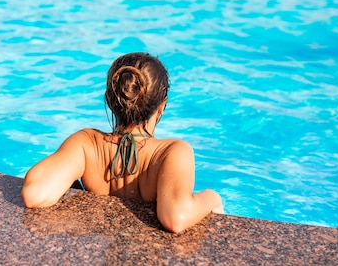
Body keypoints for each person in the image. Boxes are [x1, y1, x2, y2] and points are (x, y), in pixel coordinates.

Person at [22, 52, 224, 234]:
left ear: (110, 101)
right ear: (162, 106)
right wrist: (212, 197)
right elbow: (176, 219)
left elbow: (36, 194)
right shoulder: (171, 152)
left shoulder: (86, 144)